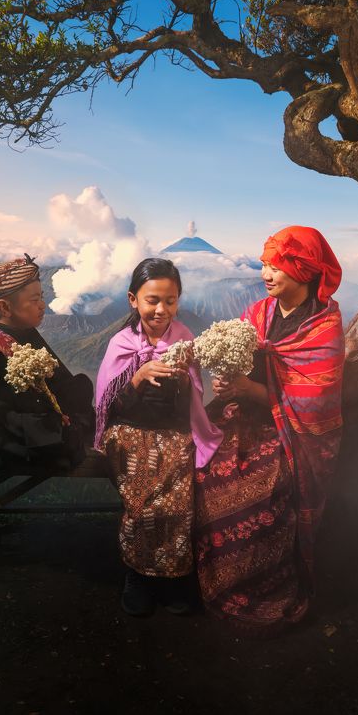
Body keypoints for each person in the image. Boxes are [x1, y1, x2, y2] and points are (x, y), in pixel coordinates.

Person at [194, 226, 345, 630]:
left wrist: (249, 389)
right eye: (264, 264)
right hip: (242, 416)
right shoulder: (259, 313)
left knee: (262, 486)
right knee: (200, 466)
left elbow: (312, 401)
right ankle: (212, 580)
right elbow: (240, 364)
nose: (265, 273)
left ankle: (264, 587)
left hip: (291, 434)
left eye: (276, 266)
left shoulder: (323, 327)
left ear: (303, 270)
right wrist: (229, 383)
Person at [95, 258, 222, 617]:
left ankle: (173, 577)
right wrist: (137, 377)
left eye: (170, 300)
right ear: (133, 300)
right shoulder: (121, 343)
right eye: (152, 300)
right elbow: (108, 407)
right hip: (127, 432)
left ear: (178, 300)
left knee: (177, 503)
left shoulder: (185, 340)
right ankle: (138, 574)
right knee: (143, 499)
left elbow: (191, 403)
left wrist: (181, 380)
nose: (161, 309)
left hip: (172, 432)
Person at [0, 255, 94, 472]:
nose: (42, 306)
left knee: (80, 385)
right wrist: (53, 426)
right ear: (5, 308)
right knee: (64, 444)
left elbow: (58, 381)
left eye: (41, 297)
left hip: (39, 422)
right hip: (4, 442)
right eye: (34, 300)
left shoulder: (27, 334)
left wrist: (62, 415)